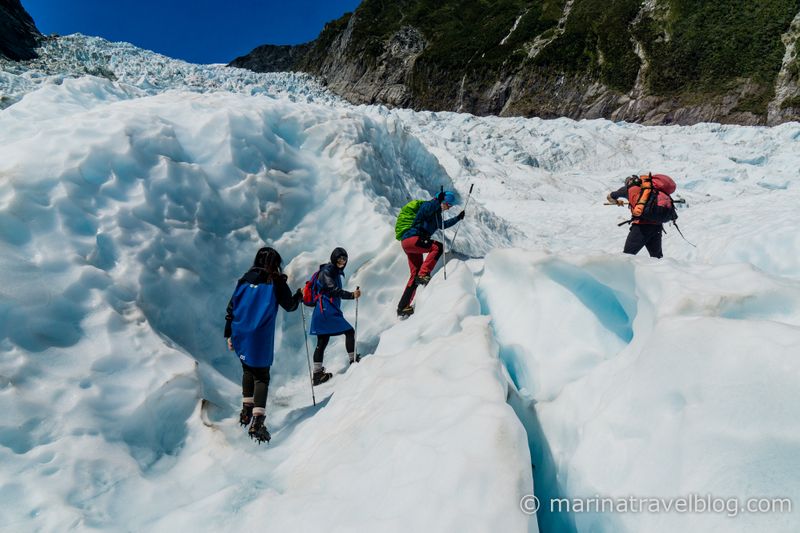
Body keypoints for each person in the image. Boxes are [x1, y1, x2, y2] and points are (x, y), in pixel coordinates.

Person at [224, 246, 302, 443]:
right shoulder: (275, 281)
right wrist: (300, 295)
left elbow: (231, 306)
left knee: (248, 370)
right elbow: (290, 306)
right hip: (259, 335)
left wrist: (229, 333)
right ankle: (258, 421)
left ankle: (246, 410)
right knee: (262, 377)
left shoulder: (245, 279)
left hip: (240, 331)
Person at [396, 190, 465, 317]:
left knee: (414, 275)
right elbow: (425, 210)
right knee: (438, 247)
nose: (449, 208)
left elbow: (442, 225)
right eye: (449, 205)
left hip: (409, 243)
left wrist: (457, 218)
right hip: (414, 238)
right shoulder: (429, 205)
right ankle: (424, 274)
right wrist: (438, 200)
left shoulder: (437, 213)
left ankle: (402, 307)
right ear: (444, 201)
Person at [309, 247, 362, 384]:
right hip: (326, 310)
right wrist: (351, 295)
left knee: (322, 341)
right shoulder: (327, 271)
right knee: (349, 332)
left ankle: (317, 374)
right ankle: (353, 359)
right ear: (334, 258)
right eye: (339, 258)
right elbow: (333, 290)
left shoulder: (333, 271)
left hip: (323, 311)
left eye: (344, 259)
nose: (342, 261)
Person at [607, 175, 664, 258]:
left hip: (641, 227)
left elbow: (610, 197)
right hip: (657, 226)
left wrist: (617, 202)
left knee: (627, 255)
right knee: (657, 258)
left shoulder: (628, 188)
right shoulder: (651, 188)